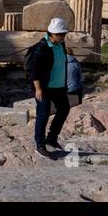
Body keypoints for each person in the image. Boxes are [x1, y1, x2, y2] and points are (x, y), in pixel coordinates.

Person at [29, 18, 72, 157]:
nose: (63, 36)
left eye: (64, 34)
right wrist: (38, 89)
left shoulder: (61, 44)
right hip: (44, 87)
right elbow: (34, 70)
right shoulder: (41, 47)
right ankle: (40, 145)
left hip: (59, 86)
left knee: (64, 108)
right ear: (52, 34)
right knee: (43, 114)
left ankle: (52, 138)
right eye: (60, 34)